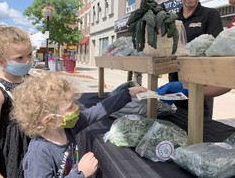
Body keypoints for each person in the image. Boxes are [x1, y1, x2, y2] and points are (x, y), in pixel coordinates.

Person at [10, 72, 147, 177]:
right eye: (70, 107)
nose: (77, 108)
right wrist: (80, 173)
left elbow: (97, 111)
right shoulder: (39, 154)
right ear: (49, 120)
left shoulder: (68, 128)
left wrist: (128, 94)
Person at [168, 0, 224, 118]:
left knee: (200, 128)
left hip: (201, 86)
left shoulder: (210, 15)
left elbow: (214, 49)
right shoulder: (172, 20)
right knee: (175, 123)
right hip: (175, 83)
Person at [0, 25, 33, 177]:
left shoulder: (28, 80)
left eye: (30, 55)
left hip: (32, 148)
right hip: (10, 154)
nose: (27, 61)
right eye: (19, 58)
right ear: (0, 61)